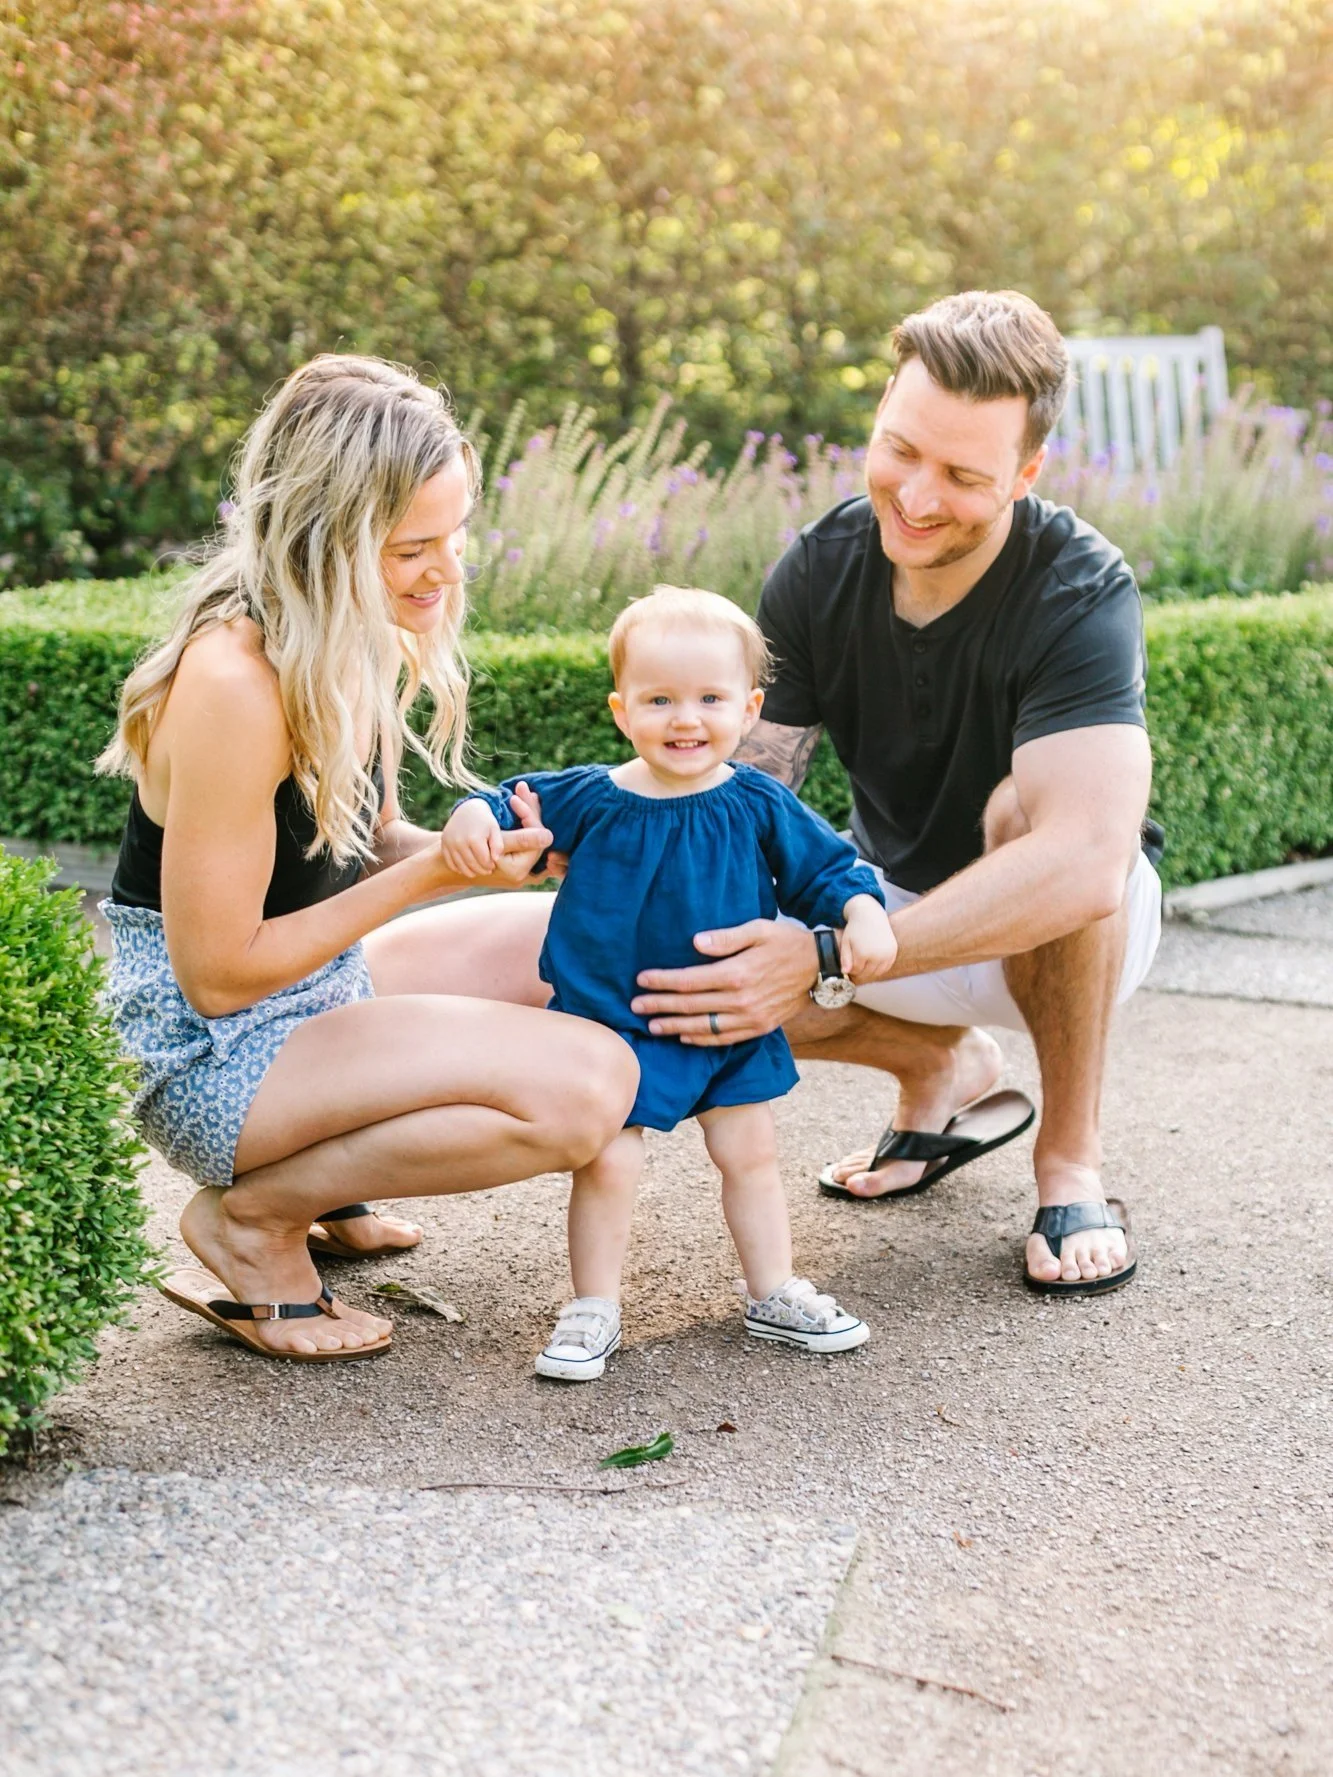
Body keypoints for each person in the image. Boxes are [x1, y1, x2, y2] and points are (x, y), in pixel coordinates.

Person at [426, 291, 1159, 1297]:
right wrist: (596, 846)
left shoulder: (1077, 588)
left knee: (1030, 826)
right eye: (898, 449)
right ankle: (933, 1067)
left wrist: (820, 955)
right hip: (879, 911)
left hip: (1064, 930)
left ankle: (1068, 1163)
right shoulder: (822, 566)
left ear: (1026, 474)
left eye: (961, 474)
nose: (915, 494)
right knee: (668, 940)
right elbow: (725, 789)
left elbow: (1084, 863)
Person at [96, 354, 638, 1361]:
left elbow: (361, 843)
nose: (447, 568)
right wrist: (432, 877)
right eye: (413, 546)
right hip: (210, 1054)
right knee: (588, 1090)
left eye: (457, 535)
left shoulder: (355, 632)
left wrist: (494, 853)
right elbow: (215, 978)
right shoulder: (233, 683)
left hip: (312, 993)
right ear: (325, 540)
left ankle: (329, 1180)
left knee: (587, 932)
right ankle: (254, 1220)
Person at [439, 587, 895, 1378]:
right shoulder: (592, 796)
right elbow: (506, 802)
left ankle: (774, 1288)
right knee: (608, 1162)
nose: (685, 719)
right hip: (612, 1025)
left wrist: (863, 913)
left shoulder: (755, 800)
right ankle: (592, 1303)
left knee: (749, 1151)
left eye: (709, 698)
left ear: (749, 709)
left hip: (728, 1024)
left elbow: (828, 870)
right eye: (659, 699)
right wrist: (474, 816)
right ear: (622, 711)